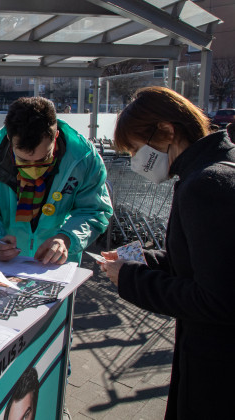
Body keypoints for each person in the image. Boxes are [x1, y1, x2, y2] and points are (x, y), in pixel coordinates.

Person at [99, 86, 235, 419]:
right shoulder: (215, 169)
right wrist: (142, 260)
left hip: (217, 368)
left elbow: (215, 298)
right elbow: (201, 264)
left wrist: (131, 279)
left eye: (135, 149)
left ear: (167, 131)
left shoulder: (205, 185)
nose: (134, 160)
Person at [0, 96, 112, 265]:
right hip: (4, 263)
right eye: (24, 161)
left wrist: (67, 238)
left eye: (44, 158)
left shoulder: (84, 158)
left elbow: (94, 210)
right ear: (9, 139)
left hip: (57, 263)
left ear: (56, 135)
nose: (34, 170)